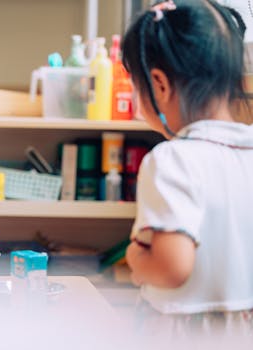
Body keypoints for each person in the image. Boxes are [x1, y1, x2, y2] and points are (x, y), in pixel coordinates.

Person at [122, 0, 253, 336]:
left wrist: (136, 260)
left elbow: (170, 268)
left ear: (160, 84)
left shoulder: (173, 159)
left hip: (186, 334)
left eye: (136, 87)